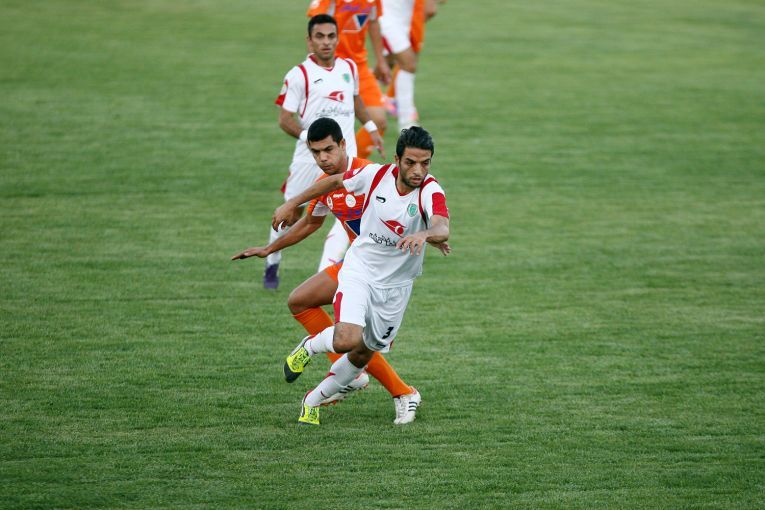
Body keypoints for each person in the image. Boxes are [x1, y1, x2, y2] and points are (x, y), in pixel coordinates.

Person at [232, 118, 445, 422]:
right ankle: (354, 375)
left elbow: (427, 217)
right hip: (359, 267)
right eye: (316, 152)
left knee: (363, 344)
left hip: (390, 276)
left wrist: (428, 235)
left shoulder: (368, 174)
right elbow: (310, 223)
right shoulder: (328, 184)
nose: (323, 158)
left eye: (329, 150)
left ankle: (395, 389)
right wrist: (270, 248)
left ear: (344, 145)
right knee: (305, 305)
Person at [266, 14, 385, 289]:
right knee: (291, 213)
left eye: (331, 36)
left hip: (345, 160)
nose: (326, 42)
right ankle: (271, 262)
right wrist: (310, 140)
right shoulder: (299, 75)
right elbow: (285, 119)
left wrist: (371, 127)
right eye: (319, 37)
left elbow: (355, 100)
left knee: (350, 212)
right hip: (309, 159)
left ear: (337, 39)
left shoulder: (349, 67)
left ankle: (327, 276)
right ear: (309, 41)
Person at [307, 0, 391, 160]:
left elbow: (373, 22)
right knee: (329, 126)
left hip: (359, 67)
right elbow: (314, 28)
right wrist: (316, 69)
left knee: (379, 120)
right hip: (331, 66)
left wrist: (381, 61)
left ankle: (350, 163)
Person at [383, 0, 443, 120]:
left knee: (397, 61)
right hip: (404, 16)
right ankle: (402, 111)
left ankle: (390, 98)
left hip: (400, 15)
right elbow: (430, 10)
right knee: (407, 61)